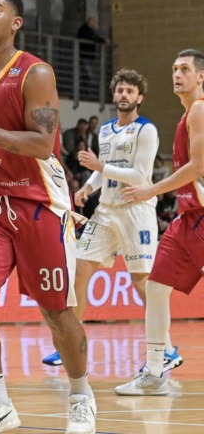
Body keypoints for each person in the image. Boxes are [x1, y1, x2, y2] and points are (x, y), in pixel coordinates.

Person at [0, 0, 95, 434]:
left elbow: (43, 143)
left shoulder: (36, 73)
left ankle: (82, 395)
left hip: (38, 202)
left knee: (56, 312)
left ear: (16, 23)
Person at [41, 69, 174, 369]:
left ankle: (166, 348)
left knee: (143, 283)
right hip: (106, 210)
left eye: (130, 91)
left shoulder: (147, 130)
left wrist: (100, 165)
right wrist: (88, 186)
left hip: (135, 211)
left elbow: (141, 175)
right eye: (120, 90)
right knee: (79, 273)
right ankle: (69, 346)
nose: (124, 95)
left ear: (139, 97)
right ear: (114, 95)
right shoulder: (105, 129)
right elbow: (104, 170)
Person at [114, 50, 204, 396]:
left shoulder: (198, 110)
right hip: (186, 219)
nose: (176, 74)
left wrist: (151, 189)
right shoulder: (186, 116)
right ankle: (154, 370)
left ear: (201, 77)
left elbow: (196, 167)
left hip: (200, 217)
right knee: (154, 288)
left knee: (155, 288)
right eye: (174, 68)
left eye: (184, 69)